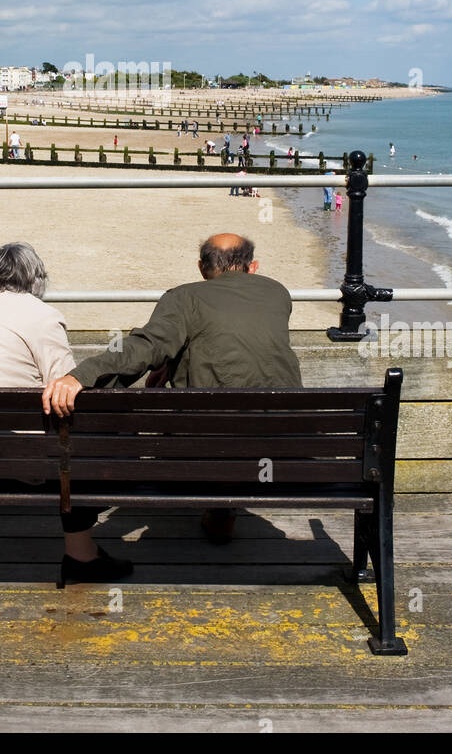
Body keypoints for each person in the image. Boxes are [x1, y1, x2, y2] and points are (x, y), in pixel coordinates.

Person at [43, 233, 302, 546]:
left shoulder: (183, 297)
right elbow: (236, 344)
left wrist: (81, 376)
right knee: (236, 408)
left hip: (204, 451)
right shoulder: (277, 293)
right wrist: (179, 357)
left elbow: (145, 347)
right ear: (253, 266)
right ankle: (223, 512)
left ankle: (217, 509)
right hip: (284, 445)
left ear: (201, 268)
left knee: (206, 422)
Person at [0, 243, 133, 584]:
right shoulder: (42, 315)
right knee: (79, 438)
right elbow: (64, 387)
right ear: (37, 279)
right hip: (5, 466)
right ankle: (81, 554)